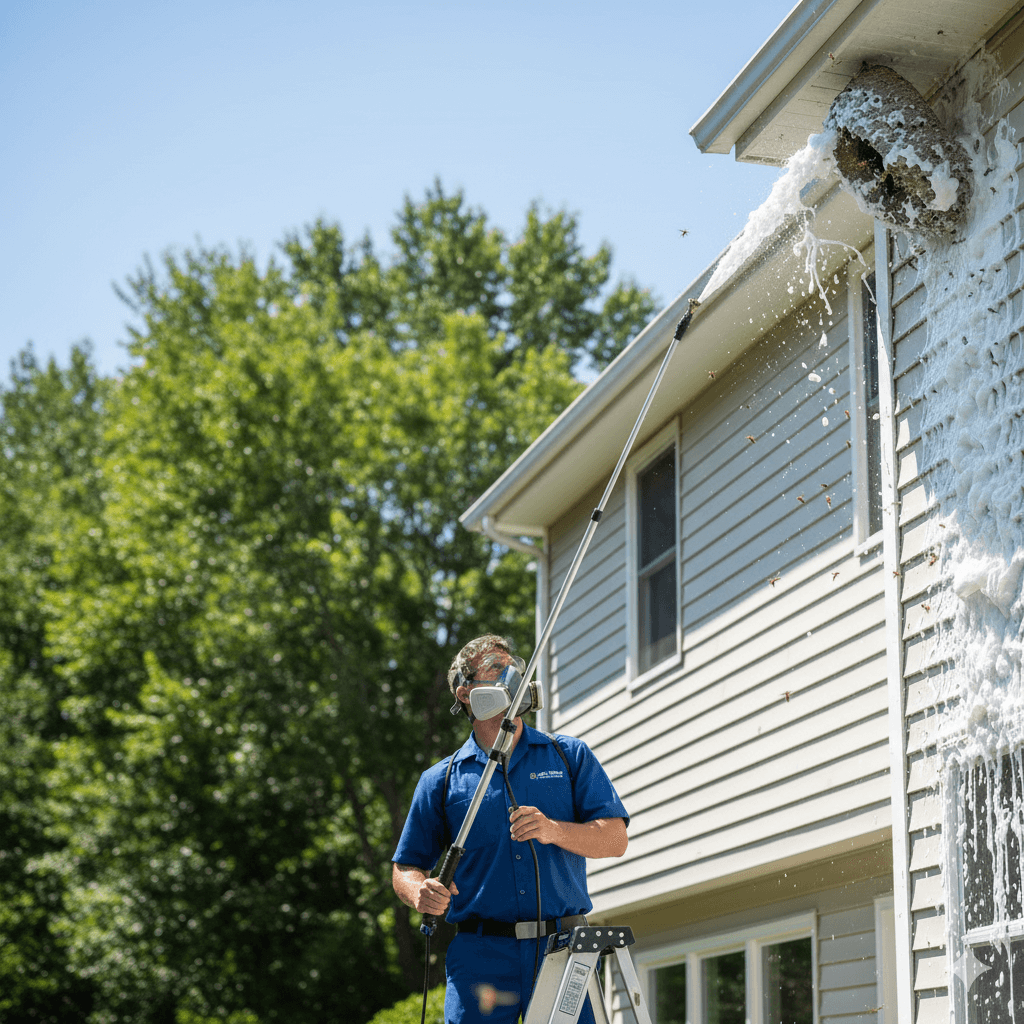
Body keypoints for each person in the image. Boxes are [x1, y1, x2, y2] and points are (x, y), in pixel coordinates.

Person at [392, 634, 629, 1024]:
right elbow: (404, 868)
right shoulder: (442, 780)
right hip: (481, 954)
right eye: (495, 667)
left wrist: (553, 830)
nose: (512, 674)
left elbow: (615, 839)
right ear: (466, 692)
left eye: (512, 665)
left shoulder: (568, 756)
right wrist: (420, 892)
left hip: (563, 949)